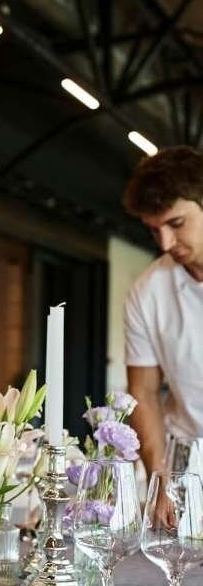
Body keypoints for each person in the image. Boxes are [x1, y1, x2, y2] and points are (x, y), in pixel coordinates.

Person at [122, 145, 203, 477]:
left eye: (177, 223)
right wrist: (159, 477)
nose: (166, 243)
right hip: (187, 456)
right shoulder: (146, 291)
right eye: (155, 229)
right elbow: (143, 392)